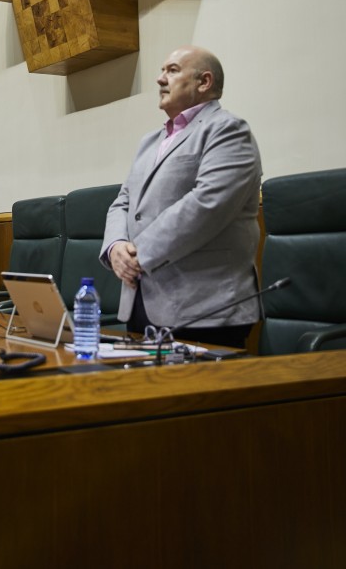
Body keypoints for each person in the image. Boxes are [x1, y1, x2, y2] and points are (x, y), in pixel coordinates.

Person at [100, 45, 262, 349]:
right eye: (162, 71)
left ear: (204, 82)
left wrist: (137, 255)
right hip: (142, 302)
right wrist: (115, 246)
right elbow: (123, 201)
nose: (160, 79)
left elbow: (206, 205)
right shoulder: (150, 141)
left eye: (172, 71)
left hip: (205, 309)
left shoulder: (227, 130)